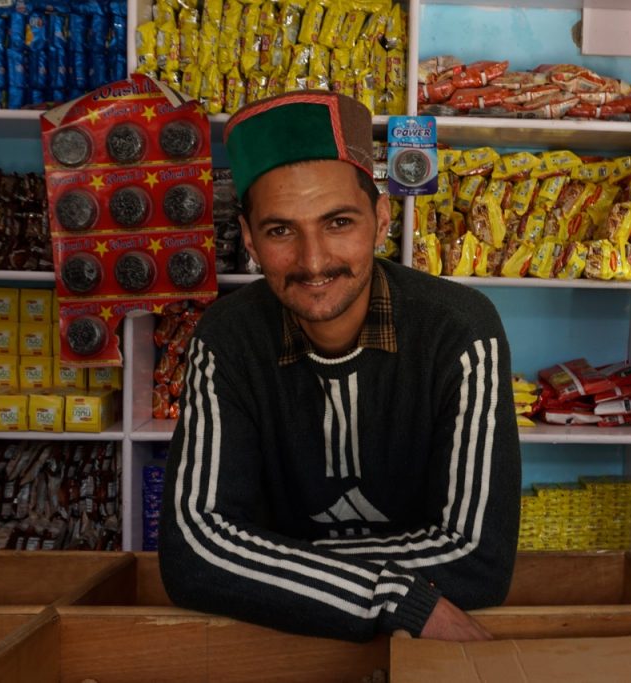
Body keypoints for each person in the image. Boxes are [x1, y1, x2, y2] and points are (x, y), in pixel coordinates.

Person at [159, 91, 521, 643]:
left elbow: (478, 560)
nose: (313, 261)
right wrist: (396, 597)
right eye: (281, 230)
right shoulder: (228, 338)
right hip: (278, 648)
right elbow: (194, 552)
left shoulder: (459, 330)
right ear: (251, 240)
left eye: (338, 222)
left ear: (380, 221)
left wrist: (268, 569)